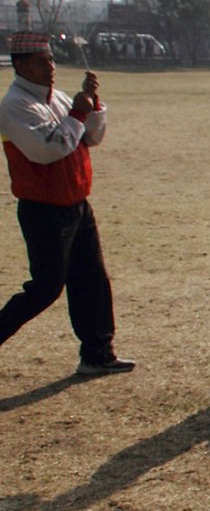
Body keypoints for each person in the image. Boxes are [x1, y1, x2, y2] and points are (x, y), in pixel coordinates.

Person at [0, 32, 133, 375]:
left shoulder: (57, 99)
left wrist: (92, 104)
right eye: (41, 61)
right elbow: (48, 149)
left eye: (51, 59)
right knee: (45, 288)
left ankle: (97, 352)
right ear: (21, 65)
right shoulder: (15, 105)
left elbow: (91, 137)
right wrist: (78, 111)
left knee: (92, 280)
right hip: (43, 208)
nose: (51, 67)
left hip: (76, 202)